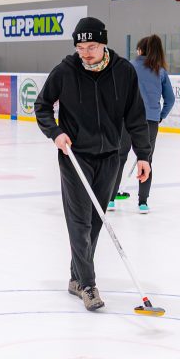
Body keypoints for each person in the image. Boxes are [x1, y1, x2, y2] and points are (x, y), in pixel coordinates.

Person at [34, 17, 151, 312]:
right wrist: (56, 133)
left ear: (104, 44)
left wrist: (144, 155)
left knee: (96, 220)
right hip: (75, 156)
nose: (85, 53)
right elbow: (42, 106)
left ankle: (76, 278)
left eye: (92, 47)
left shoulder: (124, 72)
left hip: (110, 157)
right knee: (79, 222)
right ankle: (88, 284)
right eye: (81, 47)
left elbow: (136, 116)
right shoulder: (65, 71)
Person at [112, 35, 175, 213]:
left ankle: (110, 199)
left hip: (127, 120)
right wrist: (159, 116)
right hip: (150, 121)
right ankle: (143, 203)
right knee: (145, 160)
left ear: (140, 50)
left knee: (119, 158)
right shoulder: (160, 71)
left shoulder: (128, 67)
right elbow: (170, 99)